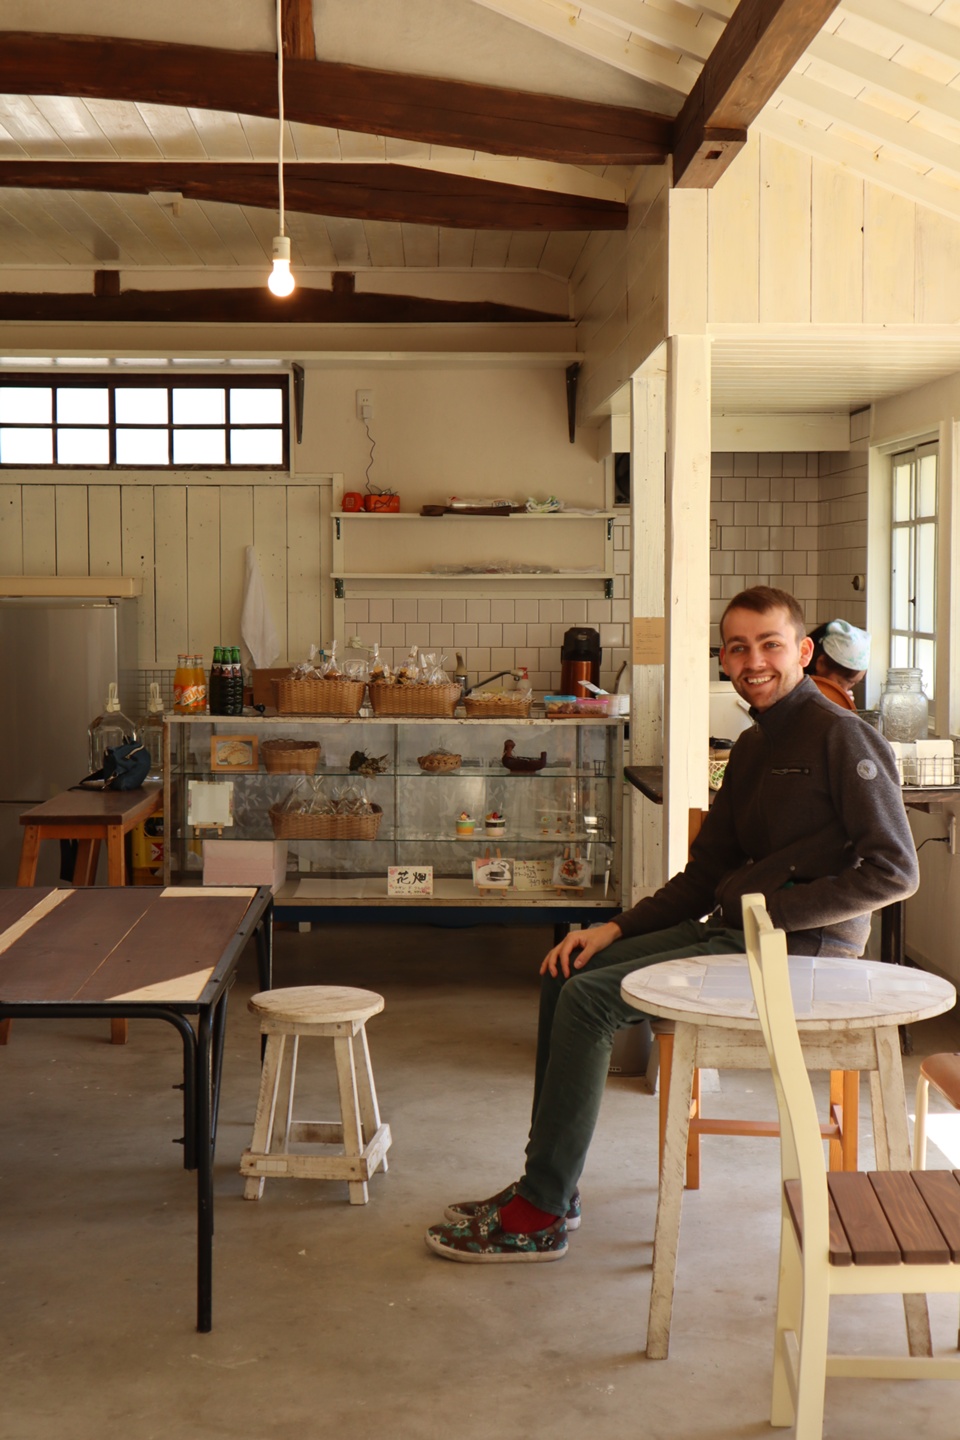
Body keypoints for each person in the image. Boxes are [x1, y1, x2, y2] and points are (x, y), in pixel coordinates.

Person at [425, 585, 918, 1264]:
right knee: (569, 969)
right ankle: (550, 1186)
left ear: (803, 652)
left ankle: (539, 1212)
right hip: (735, 933)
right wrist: (615, 929)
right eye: (738, 647)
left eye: (770, 645)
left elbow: (895, 871)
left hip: (801, 956)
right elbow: (704, 874)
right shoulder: (753, 747)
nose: (754, 661)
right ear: (724, 658)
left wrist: (771, 911)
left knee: (590, 1001)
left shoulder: (842, 736)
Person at [804, 618, 870, 712]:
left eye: (852, 683)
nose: (844, 691)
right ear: (821, 664)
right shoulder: (792, 688)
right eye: (840, 682)